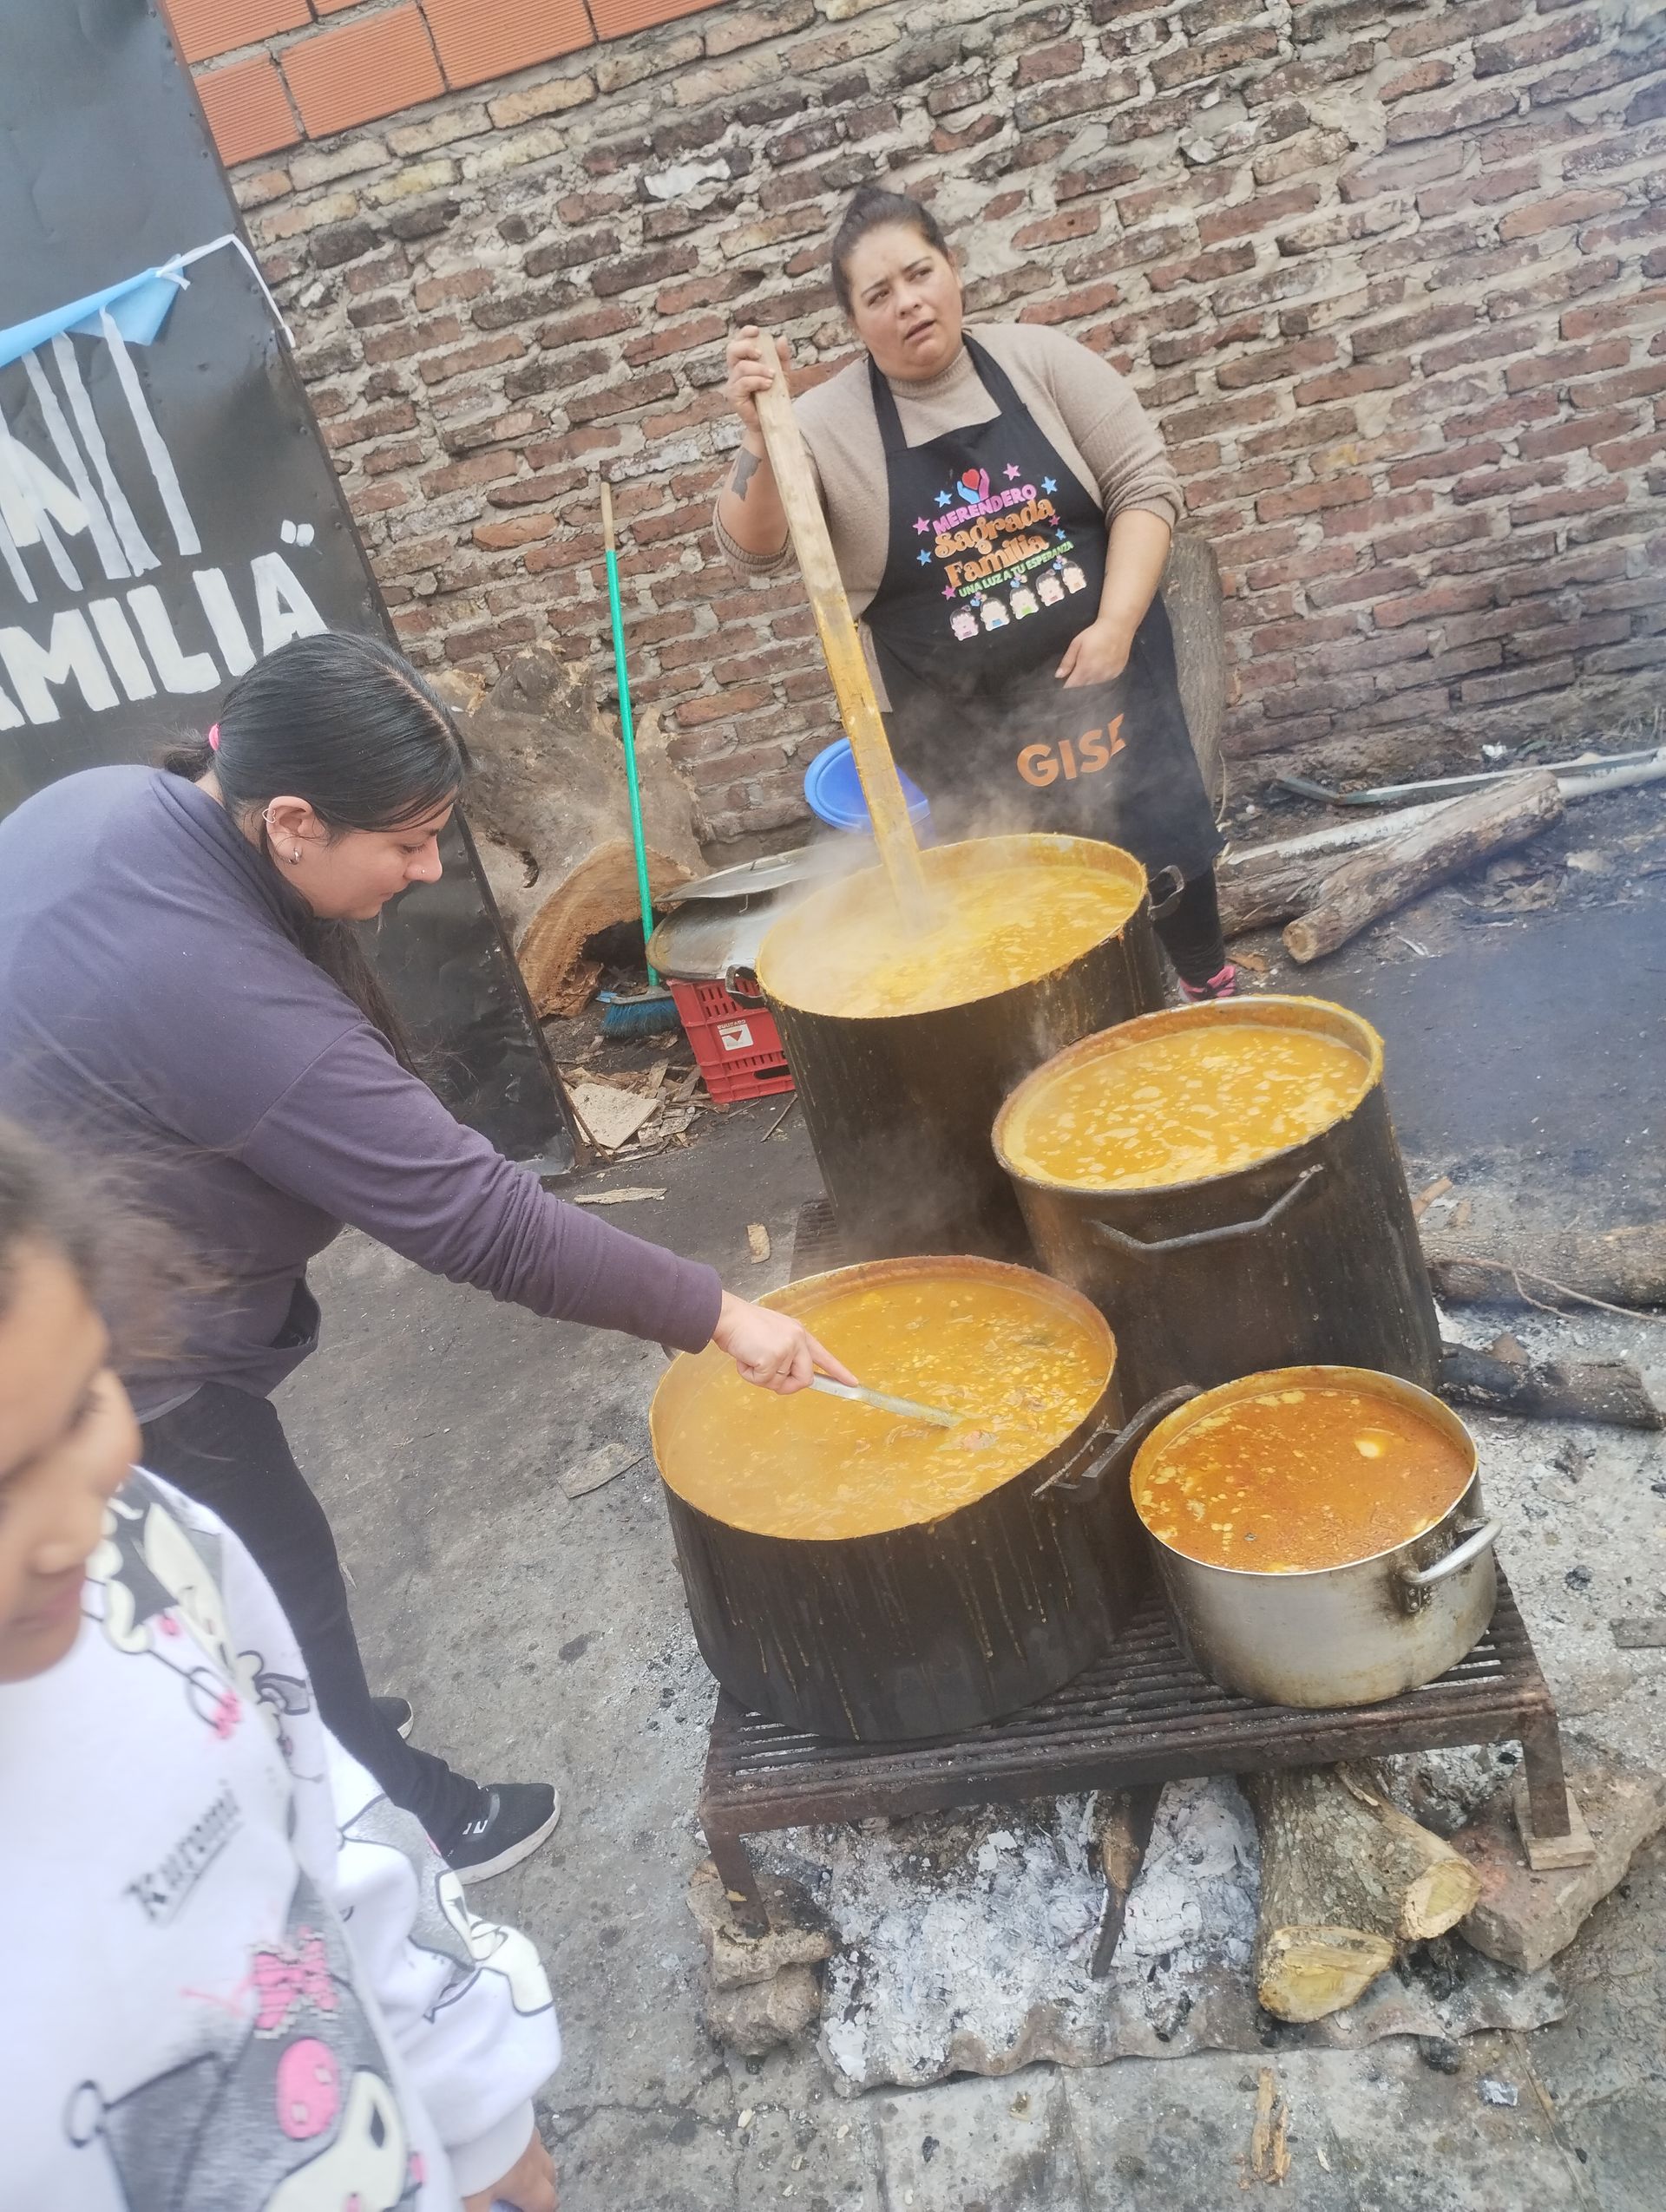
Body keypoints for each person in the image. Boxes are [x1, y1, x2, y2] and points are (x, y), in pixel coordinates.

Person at [0, 630, 854, 1882]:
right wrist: (721, 1313)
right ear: (292, 821)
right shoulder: (220, 991)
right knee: (266, 1582)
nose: (425, 866)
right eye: (402, 841)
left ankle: (307, 1744)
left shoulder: (110, 800)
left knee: (219, 1589)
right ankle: (391, 1822)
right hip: (97, 1348)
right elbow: (480, 1221)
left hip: (62, 1251)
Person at [0, 1116, 561, 2211]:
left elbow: (331, 1824)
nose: (74, 1522)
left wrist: (477, 2108)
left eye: (84, 1405)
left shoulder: (154, 1553)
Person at [716, 185, 1236, 1002]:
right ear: (855, 323)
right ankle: (1074, 1038)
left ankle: (1210, 987)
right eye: (878, 296)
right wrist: (757, 436)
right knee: (1013, 903)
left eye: (919, 274)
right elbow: (755, 548)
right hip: (955, 724)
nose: (908, 303)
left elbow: (1144, 487)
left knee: (1160, 841)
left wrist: (1117, 622)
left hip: (1111, 680)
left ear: (953, 269)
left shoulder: (1042, 362)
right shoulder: (819, 427)